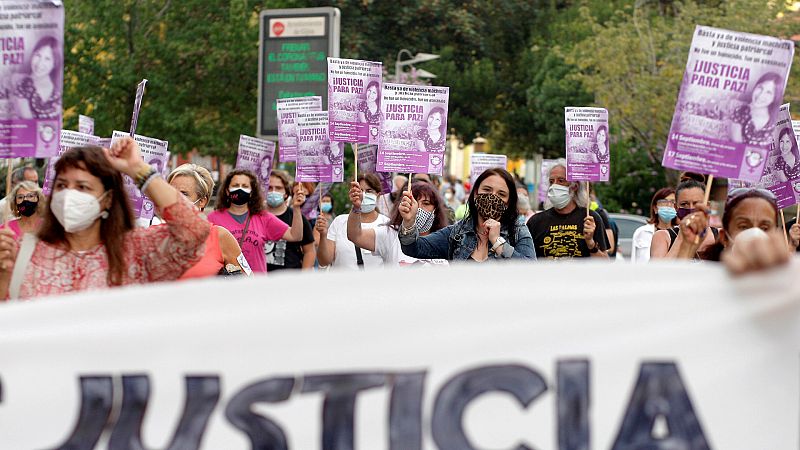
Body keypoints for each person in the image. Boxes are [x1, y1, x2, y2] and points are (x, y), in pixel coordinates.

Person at [0, 138, 211, 299]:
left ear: (108, 199)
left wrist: (137, 169)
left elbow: (193, 231)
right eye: (62, 185)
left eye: (82, 187)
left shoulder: (137, 251)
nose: (68, 195)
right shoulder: (23, 252)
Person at [398, 168, 535, 261]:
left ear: (509, 201)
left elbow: (530, 274)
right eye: (487, 190)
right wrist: (409, 223)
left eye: (501, 194)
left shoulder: (517, 231)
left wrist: (498, 243)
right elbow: (414, 249)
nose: (493, 197)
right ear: (475, 193)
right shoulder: (457, 233)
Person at [208, 169, 303, 274]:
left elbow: (295, 236)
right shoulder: (213, 218)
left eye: (245, 186)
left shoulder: (263, 217)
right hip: (227, 285)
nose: (240, 189)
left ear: (251, 192)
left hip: (258, 285)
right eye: (235, 185)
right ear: (227, 190)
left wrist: (297, 208)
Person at [166, 163, 249, 279]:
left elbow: (249, 284)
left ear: (202, 201)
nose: (175, 198)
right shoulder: (153, 234)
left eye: (184, 194)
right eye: (171, 192)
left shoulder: (220, 237)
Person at [347, 180, 449, 267]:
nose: (418, 208)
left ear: (436, 209)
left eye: (426, 203)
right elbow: (355, 235)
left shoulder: (446, 239)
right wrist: (356, 208)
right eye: (412, 202)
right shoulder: (390, 235)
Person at [526, 160, 608, 259]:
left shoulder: (590, 219)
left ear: (574, 186)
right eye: (551, 182)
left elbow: (605, 264)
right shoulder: (536, 222)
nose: (554, 186)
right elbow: (526, 261)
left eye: (561, 180)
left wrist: (591, 243)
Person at [316, 173, 389, 269]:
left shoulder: (387, 225)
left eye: (369, 191)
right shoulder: (339, 222)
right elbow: (324, 261)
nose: (363, 195)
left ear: (378, 195)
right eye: (359, 190)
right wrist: (323, 235)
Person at [694, 188, 783, 262]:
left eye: (764, 228)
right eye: (744, 226)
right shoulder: (704, 278)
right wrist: (686, 246)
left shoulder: (791, 278)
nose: (755, 235)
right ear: (724, 237)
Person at [650, 179, 718, 260]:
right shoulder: (663, 237)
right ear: (676, 207)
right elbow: (657, 271)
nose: (691, 208)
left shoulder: (720, 236)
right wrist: (681, 238)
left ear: (708, 206)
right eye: (684, 204)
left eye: (697, 203)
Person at [264, 170, 315, 272]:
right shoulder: (255, 217)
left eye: (278, 188)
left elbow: (309, 251)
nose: (273, 191)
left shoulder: (296, 217)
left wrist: (303, 277)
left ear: (286, 193)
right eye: (269, 188)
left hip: (290, 279)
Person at [13, 36, 62, 119]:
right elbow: (29, 123)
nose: (39, 63)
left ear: (54, 63)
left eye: (47, 59)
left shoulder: (59, 87)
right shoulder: (23, 86)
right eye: (38, 55)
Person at [730, 72, 782, 147]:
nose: (760, 95)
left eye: (769, 92)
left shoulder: (778, 118)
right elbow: (737, 148)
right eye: (760, 88)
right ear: (755, 87)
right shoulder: (740, 112)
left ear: (775, 98)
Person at [630, 188, 678, 263]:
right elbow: (634, 261)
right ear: (655, 208)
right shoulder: (642, 232)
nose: (669, 205)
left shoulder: (680, 233)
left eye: (672, 202)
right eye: (664, 202)